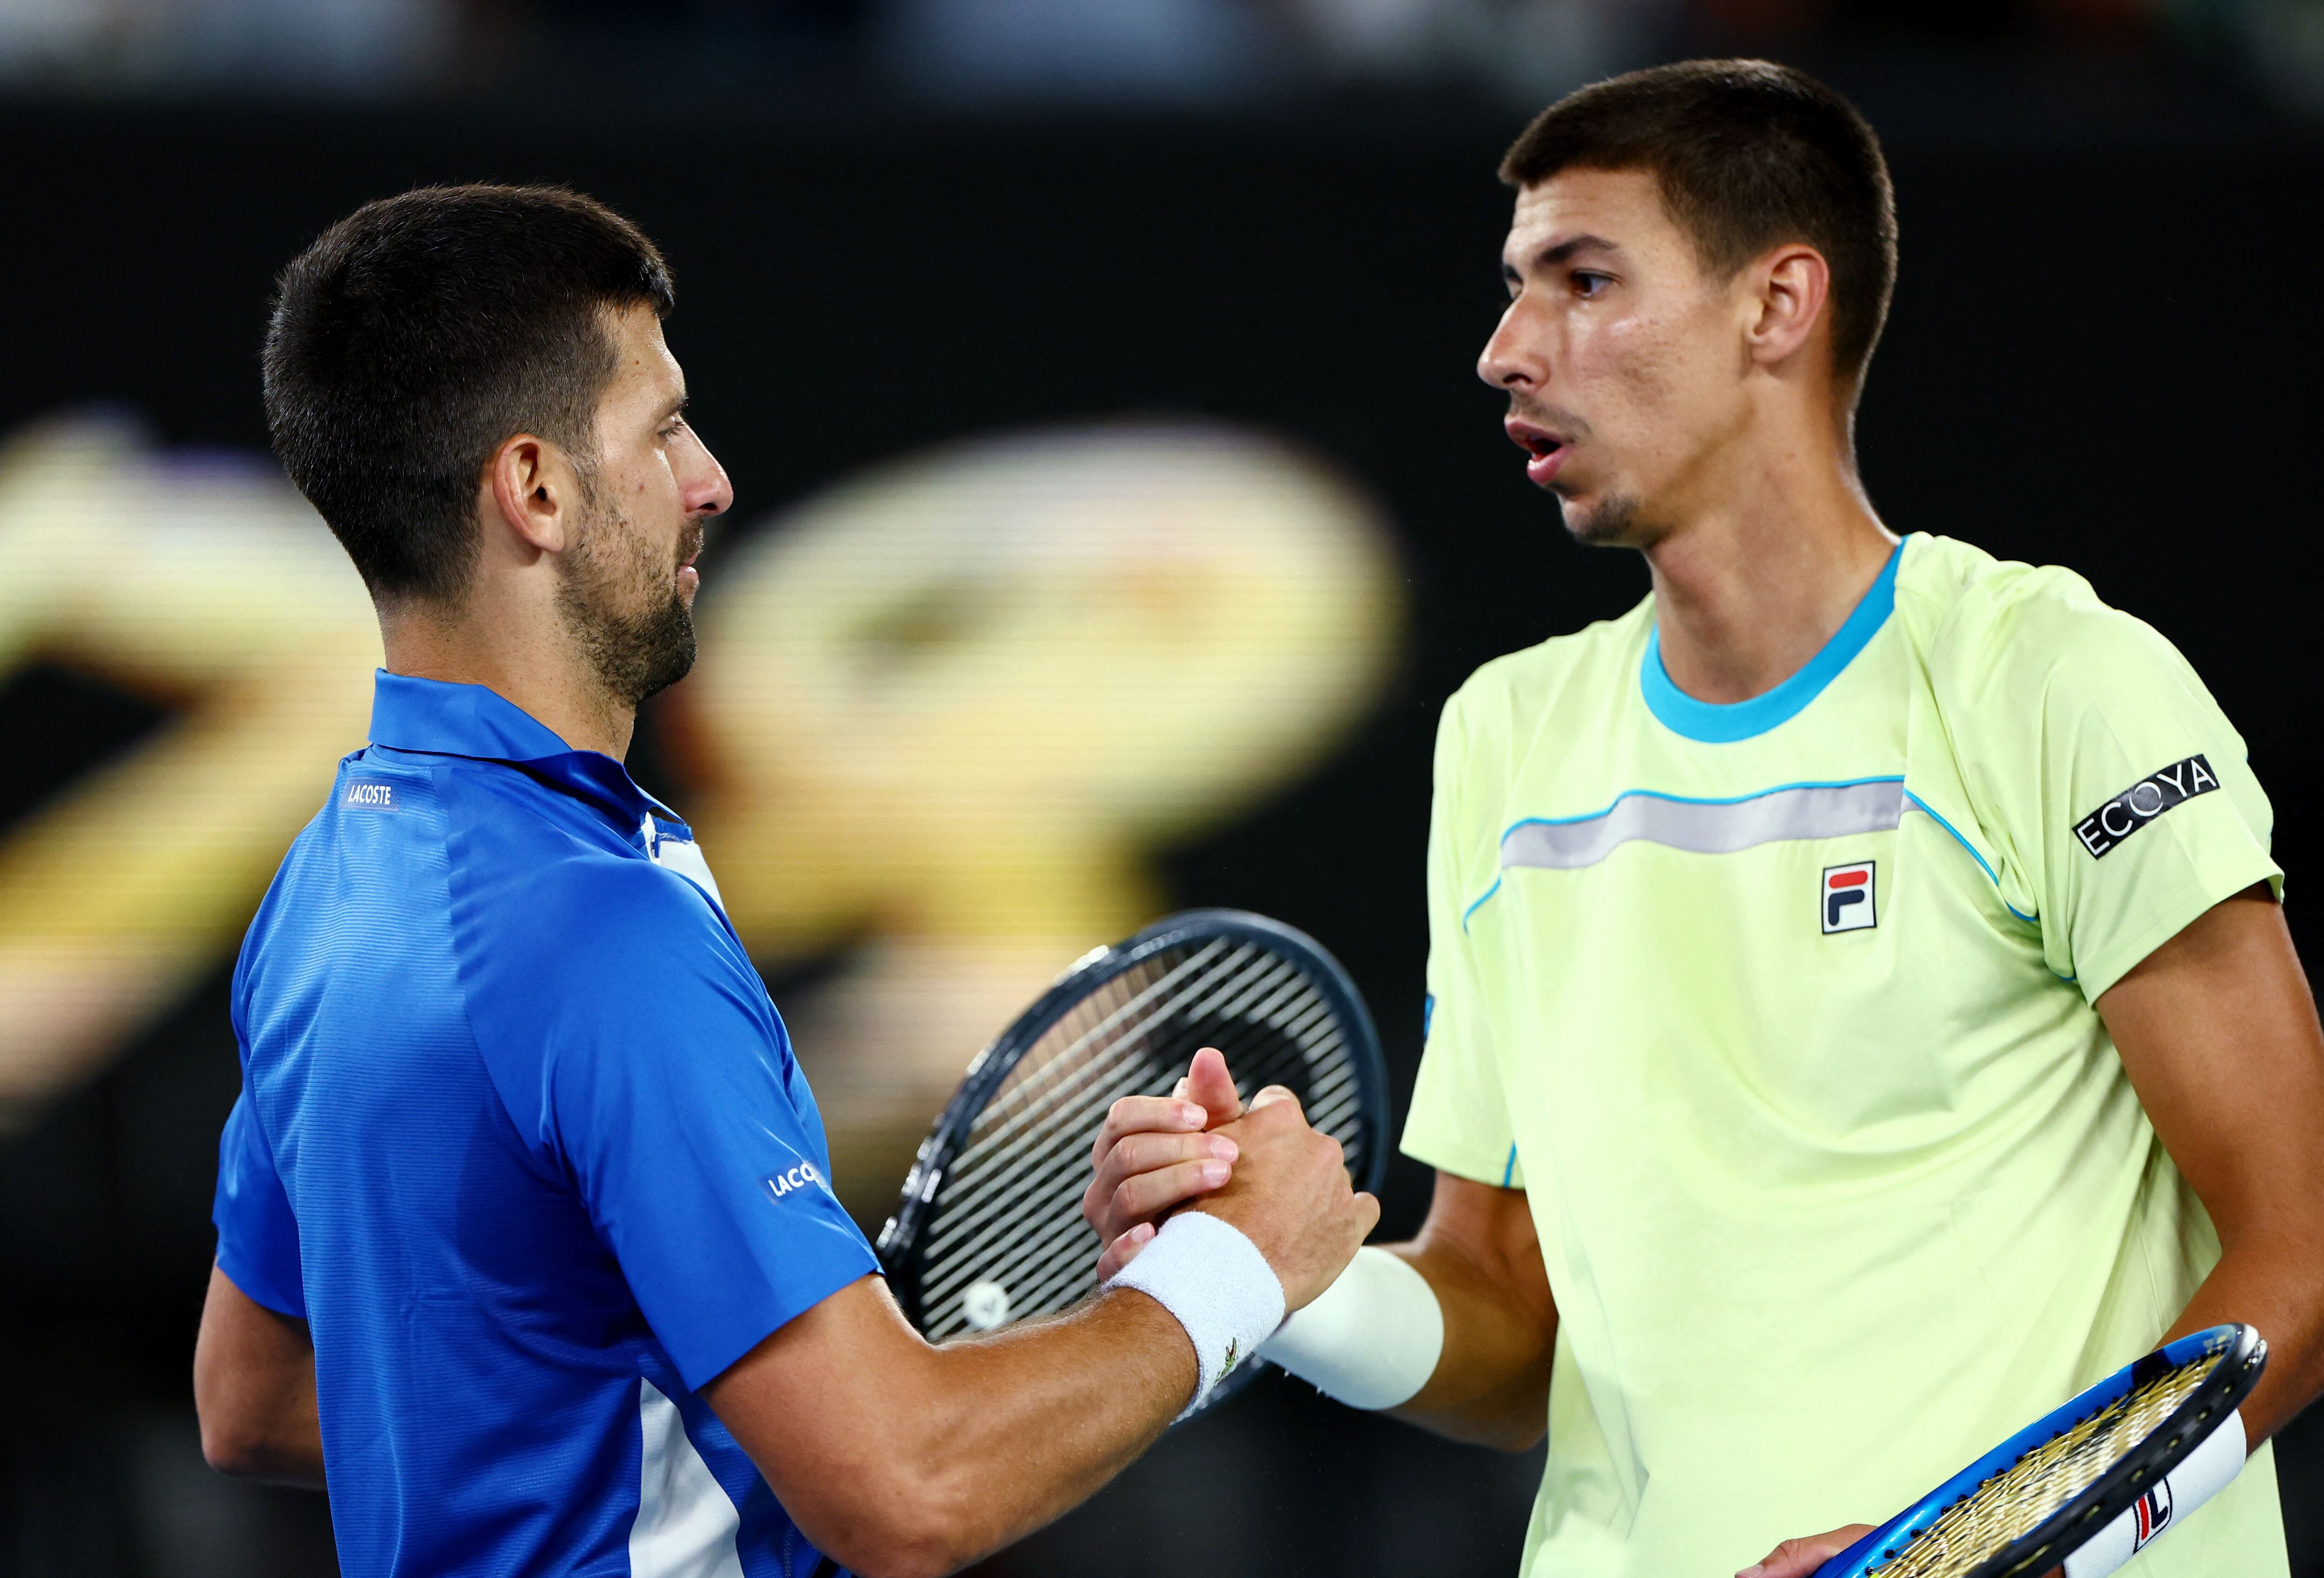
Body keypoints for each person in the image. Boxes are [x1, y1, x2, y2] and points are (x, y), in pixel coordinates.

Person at [1083, 59, 2324, 1578]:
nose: (1505, 351)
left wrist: (1966, 1554)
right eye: (1512, 288)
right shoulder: (1507, 742)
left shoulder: (2054, 684)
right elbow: (1510, 1324)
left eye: (1584, 280)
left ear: (1777, 307)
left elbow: (2306, 1253)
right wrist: (1293, 1280)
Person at [191, 184, 1379, 1578]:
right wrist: (1234, 1272)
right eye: (664, 427)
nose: (711, 480)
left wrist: (770, 1398)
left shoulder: (332, 877)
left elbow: (253, 1394)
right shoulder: (597, 936)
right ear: (538, 489)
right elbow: (904, 1491)